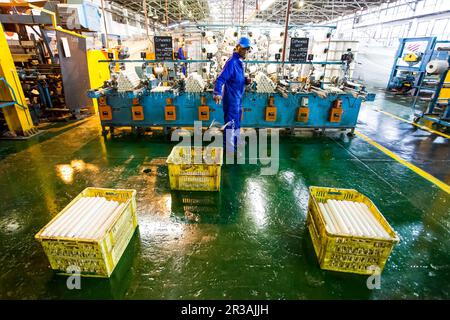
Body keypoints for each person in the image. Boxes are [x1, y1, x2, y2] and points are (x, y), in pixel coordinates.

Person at [213, 37, 252, 155]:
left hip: (238, 98)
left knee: (237, 123)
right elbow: (220, 79)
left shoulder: (240, 62)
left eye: (247, 49)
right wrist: (217, 93)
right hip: (231, 100)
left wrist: (246, 80)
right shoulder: (232, 62)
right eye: (244, 49)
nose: (246, 51)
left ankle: (235, 142)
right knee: (231, 124)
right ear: (238, 48)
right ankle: (229, 149)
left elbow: (236, 78)